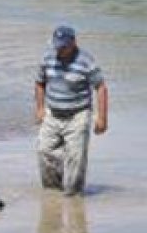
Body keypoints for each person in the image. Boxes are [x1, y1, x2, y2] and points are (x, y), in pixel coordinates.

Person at [35, 25, 108, 195]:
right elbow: (39, 82)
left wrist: (102, 118)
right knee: (44, 151)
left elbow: (101, 87)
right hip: (53, 114)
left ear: (73, 43)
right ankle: (53, 194)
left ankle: (73, 196)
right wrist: (39, 109)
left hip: (78, 115)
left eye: (64, 46)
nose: (60, 50)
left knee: (76, 158)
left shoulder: (86, 61)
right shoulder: (47, 58)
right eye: (57, 46)